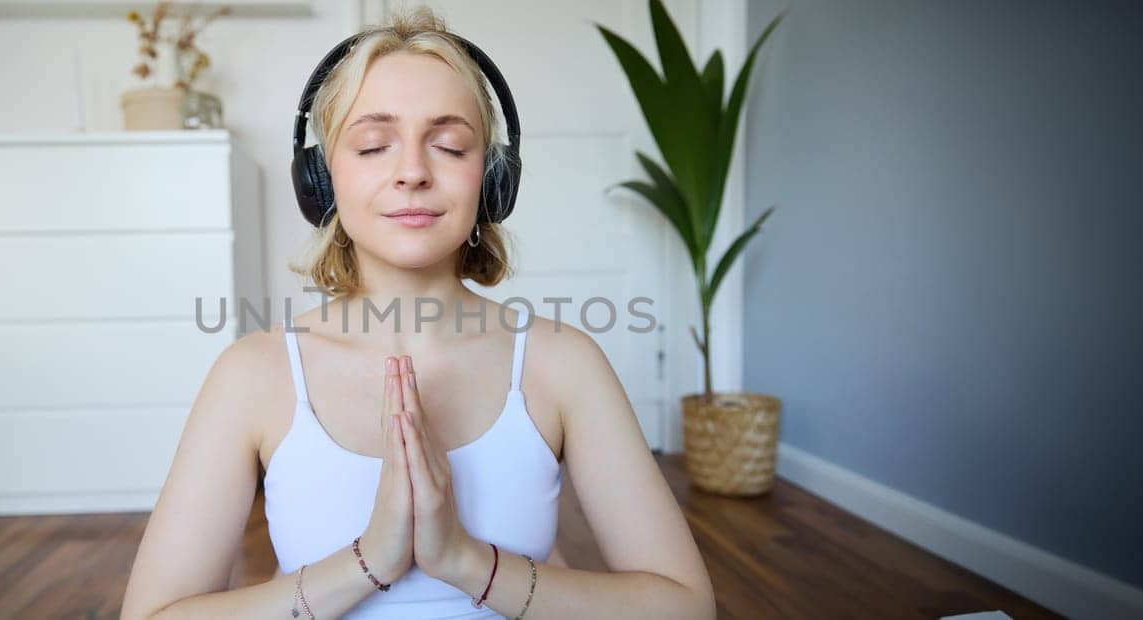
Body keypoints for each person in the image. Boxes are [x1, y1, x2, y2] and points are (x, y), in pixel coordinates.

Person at [121, 6, 712, 619]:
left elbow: (686, 606)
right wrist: (369, 561)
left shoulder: (564, 364)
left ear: (492, 179)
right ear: (323, 180)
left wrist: (464, 560)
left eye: (450, 146)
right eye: (374, 145)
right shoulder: (251, 373)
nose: (412, 172)